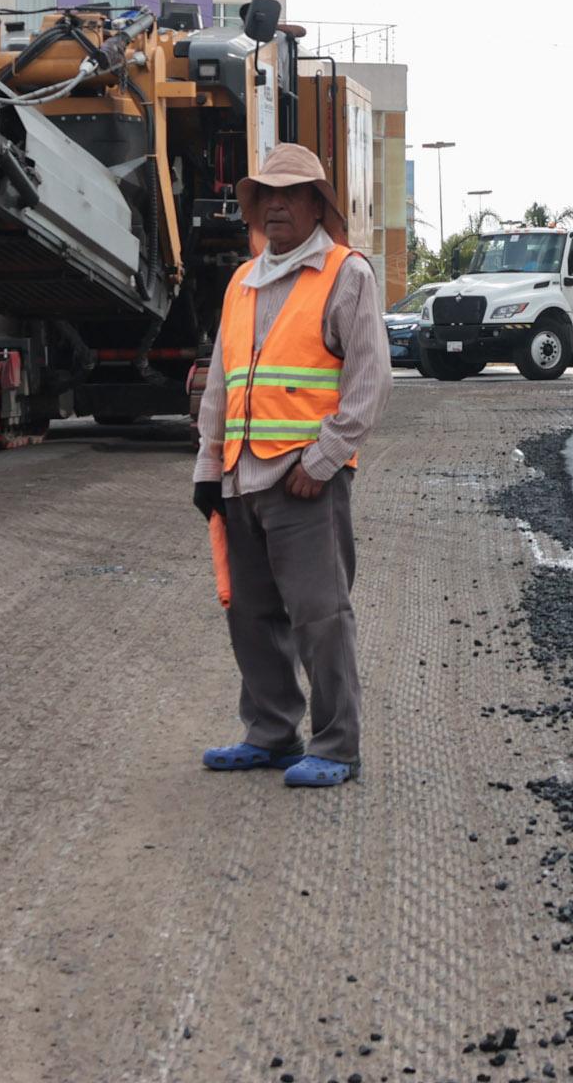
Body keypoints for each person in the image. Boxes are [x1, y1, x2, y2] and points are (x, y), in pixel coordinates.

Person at [193, 143, 386, 790]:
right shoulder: (242, 283)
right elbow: (221, 383)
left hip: (305, 481)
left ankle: (337, 745)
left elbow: (369, 382)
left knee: (319, 615)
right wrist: (207, 467)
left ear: (315, 204)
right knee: (250, 613)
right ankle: (272, 731)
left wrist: (325, 459)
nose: (276, 204)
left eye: (291, 193)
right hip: (242, 477)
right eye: (266, 195)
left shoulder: (345, 274)